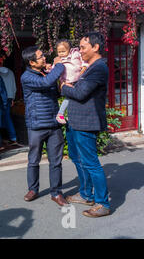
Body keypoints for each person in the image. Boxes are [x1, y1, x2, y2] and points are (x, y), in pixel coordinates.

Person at [61, 32, 111, 218]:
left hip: (87, 122)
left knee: (91, 163)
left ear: (95, 47)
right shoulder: (88, 67)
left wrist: (64, 87)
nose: (79, 51)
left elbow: (80, 93)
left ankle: (102, 203)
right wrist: (71, 87)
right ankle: (85, 194)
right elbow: (79, 90)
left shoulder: (98, 68)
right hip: (76, 121)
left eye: (83, 47)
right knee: (76, 157)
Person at [20, 46, 68, 207]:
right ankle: (33, 189)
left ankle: (56, 192)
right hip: (36, 125)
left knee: (56, 161)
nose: (44, 58)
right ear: (32, 62)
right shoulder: (26, 77)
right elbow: (46, 83)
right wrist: (59, 64)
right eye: (40, 57)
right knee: (34, 160)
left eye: (43, 56)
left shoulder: (45, 73)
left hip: (53, 124)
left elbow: (55, 90)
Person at [50, 40, 88, 124]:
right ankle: (61, 114)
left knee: (79, 97)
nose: (61, 54)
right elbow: (54, 69)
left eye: (63, 51)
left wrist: (84, 66)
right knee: (69, 98)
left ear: (69, 50)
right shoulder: (58, 59)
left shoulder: (76, 54)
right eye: (59, 52)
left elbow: (83, 60)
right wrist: (49, 69)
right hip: (67, 82)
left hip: (78, 80)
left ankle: (73, 115)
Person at [0, 65, 19, 146]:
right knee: (7, 117)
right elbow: (14, 86)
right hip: (9, 97)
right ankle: (13, 137)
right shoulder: (11, 72)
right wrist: (12, 98)